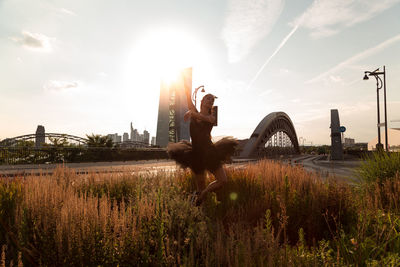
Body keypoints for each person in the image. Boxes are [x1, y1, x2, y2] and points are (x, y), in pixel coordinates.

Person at [167, 86, 238, 205]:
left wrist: (192, 113)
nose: (210, 101)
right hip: (196, 153)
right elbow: (189, 99)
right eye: (208, 98)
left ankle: (204, 193)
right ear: (202, 101)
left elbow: (205, 118)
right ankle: (198, 208)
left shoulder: (212, 116)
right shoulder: (194, 112)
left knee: (223, 181)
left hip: (210, 152)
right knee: (200, 185)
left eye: (212, 100)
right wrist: (185, 83)